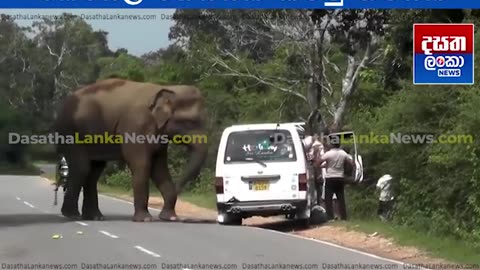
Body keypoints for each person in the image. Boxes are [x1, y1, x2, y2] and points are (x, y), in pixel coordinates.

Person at [314, 136, 353, 220]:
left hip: (330, 177)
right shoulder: (343, 153)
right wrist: (347, 171)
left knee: (328, 198)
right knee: (340, 198)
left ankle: (330, 216)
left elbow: (318, 162)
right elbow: (350, 162)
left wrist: (319, 169)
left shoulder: (329, 153)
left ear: (332, 144)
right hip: (340, 177)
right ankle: (343, 217)